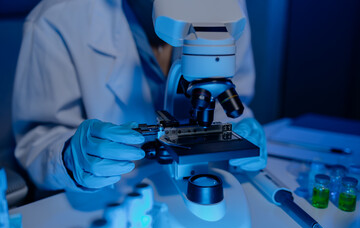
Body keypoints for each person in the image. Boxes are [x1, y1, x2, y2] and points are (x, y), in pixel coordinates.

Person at [12, 0, 266, 192]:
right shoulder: (58, 18)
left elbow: (233, 99)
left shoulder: (227, 8)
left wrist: (243, 132)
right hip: (115, 196)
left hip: (205, 181)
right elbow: (37, 143)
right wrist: (70, 157)